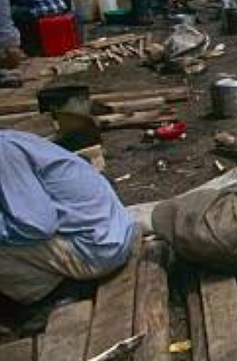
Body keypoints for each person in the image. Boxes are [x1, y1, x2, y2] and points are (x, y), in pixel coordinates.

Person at [0, 130, 137, 304]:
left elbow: (37, 226)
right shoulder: (12, 139)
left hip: (99, 249)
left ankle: (51, 298)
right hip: (117, 233)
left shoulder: (3, 151)